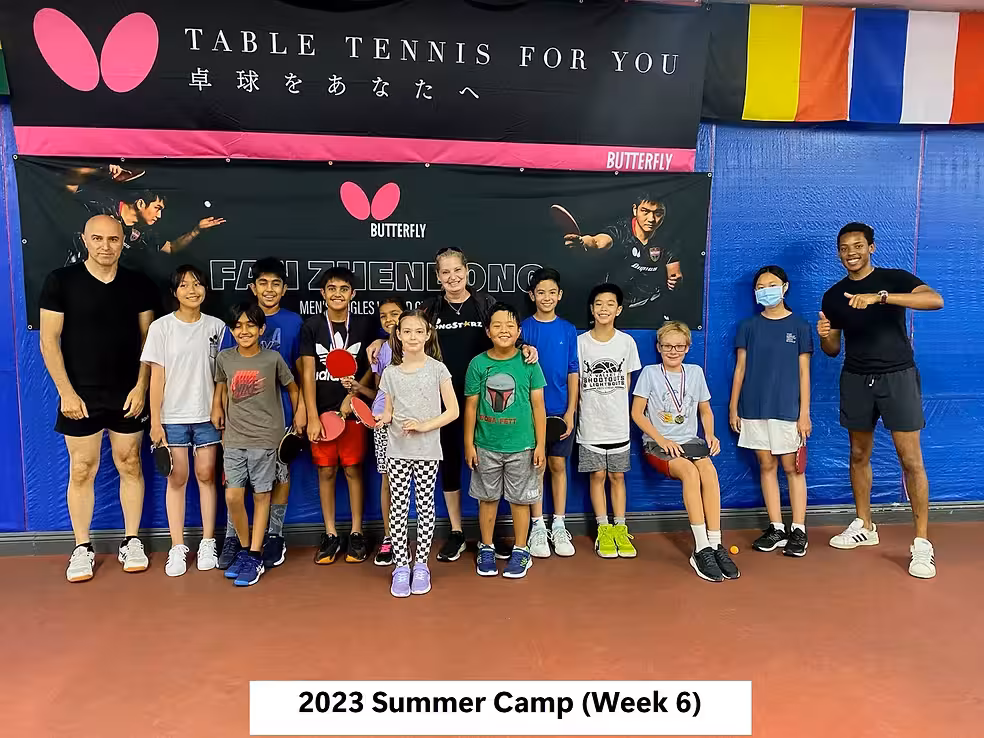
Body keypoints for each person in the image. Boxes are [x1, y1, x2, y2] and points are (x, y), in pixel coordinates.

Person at [818, 222, 944, 579]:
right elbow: (832, 350)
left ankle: (922, 544)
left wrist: (882, 297)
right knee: (859, 453)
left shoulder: (896, 278)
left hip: (898, 376)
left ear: (871, 248)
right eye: (844, 248)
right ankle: (865, 525)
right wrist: (826, 336)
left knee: (910, 459)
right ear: (839, 253)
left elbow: (935, 300)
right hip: (856, 378)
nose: (851, 253)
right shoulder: (834, 296)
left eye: (857, 246)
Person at [399, 247, 537, 564]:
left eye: (457, 270)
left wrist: (527, 347)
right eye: (445, 272)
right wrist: (382, 341)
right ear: (438, 277)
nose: (452, 277)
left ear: (466, 271)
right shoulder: (429, 310)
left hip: (487, 404)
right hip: (441, 403)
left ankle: (490, 536)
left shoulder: (484, 304)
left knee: (493, 462)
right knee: (449, 465)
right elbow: (408, 338)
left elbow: (508, 337)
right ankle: (458, 532)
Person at [39, 215, 156, 583]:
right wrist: (66, 392)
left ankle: (132, 540)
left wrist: (142, 387)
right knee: (82, 468)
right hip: (81, 394)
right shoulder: (61, 281)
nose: (106, 246)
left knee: (130, 463)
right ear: (85, 240)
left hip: (127, 392)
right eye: (98, 239)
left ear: (123, 241)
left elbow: (148, 341)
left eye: (113, 239)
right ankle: (82, 548)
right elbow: (48, 341)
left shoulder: (138, 283)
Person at [216, 257, 305, 571]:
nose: (269, 289)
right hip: (241, 418)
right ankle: (233, 537)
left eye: (276, 283)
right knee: (237, 484)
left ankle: (274, 535)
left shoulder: (294, 322)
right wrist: (220, 408)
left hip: (277, 415)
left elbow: (300, 371)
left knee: (278, 474)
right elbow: (225, 372)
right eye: (263, 283)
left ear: (284, 288)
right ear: (253, 287)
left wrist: (301, 412)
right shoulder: (237, 323)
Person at [632, 321, 738, 582]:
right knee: (690, 473)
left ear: (688, 347)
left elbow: (706, 410)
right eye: (667, 346)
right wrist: (661, 438)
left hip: (690, 441)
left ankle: (715, 543)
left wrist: (710, 434)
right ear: (658, 347)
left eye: (679, 346)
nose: (673, 350)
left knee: (709, 472)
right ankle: (700, 548)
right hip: (657, 444)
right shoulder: (649, 373)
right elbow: (636, 413)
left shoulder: (695, 372)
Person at [141, 265, 226, 577]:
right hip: (172, 417)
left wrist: (220, 408)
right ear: (174, 292)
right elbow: (156, 377)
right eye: (184, 285)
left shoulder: (217, 327)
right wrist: (155, 421)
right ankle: (177, 546)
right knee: (177, 477)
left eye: (197, 284)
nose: (192, 290)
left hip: (208, 415)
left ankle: (207, 542)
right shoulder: (161, 328)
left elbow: (222, 377)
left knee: (206, 475)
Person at [729, 266, 813, 557]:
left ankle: (798, 529)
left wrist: (804, 414)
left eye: (772, 284)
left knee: (792, 468)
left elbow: (804, 373)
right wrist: (733, 407)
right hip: (753, 408)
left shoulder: (800, 326)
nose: (767, 290)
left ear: (785, 287)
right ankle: (776, 526)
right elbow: (740, 369)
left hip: (788, 410)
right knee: (766, 466)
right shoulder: (748, 327)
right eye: (761, 286)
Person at [376, 310, 459, 597]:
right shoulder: (389, 373)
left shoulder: (438, 369)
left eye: (418, 331)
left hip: (427, 451)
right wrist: (381, 419)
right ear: (398, 335)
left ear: (427, 334)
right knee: (398, 509)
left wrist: (424, 426)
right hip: (397, 451)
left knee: (425, 507)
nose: (412, 336)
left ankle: (420, 565)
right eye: (407, 331)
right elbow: (387, 413)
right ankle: (401, 567)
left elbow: (453, 411)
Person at [299, 267, 378, 565]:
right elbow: (306, 373)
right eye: (331, 288)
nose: (337, 294)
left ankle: (357, 533)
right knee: (326, 472)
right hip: (322, 414)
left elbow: (374, 365)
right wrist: (312, 416)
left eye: (344, 289)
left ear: (352, 294)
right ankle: (330, 534)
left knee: (353, 471)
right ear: (322, 293)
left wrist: (353, 395)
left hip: (354, 414)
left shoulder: (365, 326)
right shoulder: (312, 326)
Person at [464, 302, 546, 579]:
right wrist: (469, 444)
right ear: (487, 331)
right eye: (497, 325)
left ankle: (521, 551)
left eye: (510, 325)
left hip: (522, 446)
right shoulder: (478, 364)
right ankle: (486, 547)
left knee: (520, 501)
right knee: (487, 499)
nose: (504, 330)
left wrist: (541, 445)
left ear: (519, 331)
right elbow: (472, 407)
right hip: (486, 446)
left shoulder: (529, 362)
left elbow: (538, 406)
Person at [576, 283, 641, 558]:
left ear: (619, 309)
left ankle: (620, 527)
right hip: (590, 426)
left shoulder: (626, 343)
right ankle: (603, 528)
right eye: (599, 303)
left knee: (616, 476)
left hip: (618, 426)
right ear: (591, 309)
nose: (604, 308)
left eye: (610, 304)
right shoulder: (580, 343)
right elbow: (575, 382)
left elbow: (626, 383)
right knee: (598, 475)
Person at [520, 267, 578, 557]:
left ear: (560, 295)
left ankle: (559, 523)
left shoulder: (568, 330)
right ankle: (537, 526)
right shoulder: (523, 328)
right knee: (536, 467)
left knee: (557, 466)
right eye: (540, 292)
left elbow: (572, 372)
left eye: (551, 292)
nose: (546, 297)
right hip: (531, 416)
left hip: (560, 412)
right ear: (532, 296)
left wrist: (570, 412)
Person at [64, 165, 225, 266]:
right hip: (76, 271)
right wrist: (101, 169)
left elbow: (171, 247)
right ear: (141, 204)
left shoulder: (144, 234)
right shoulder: (104, 201)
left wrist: (196, 230)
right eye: (157, 208)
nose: (159, 215)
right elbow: (69, 183)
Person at [565, 192, 682, 311]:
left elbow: (674, 272)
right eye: (645, 211)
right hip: (614, 304)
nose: (651, 219)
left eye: (658, 213)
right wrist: (583, 242)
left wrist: (675, 280)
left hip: (649, 305)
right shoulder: (621, 230)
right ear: (635, 210)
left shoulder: (668, 239)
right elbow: (598, 242)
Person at [368, 296, 406, 566]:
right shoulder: (379, 350)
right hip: (383, 421)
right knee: (388, 482)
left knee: (415, 483)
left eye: (395, 314)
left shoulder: (422, 344)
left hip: (413, 423)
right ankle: (390, 538)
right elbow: (380, 389)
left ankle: (407, 538)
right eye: (383, 316)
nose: (389, 319)